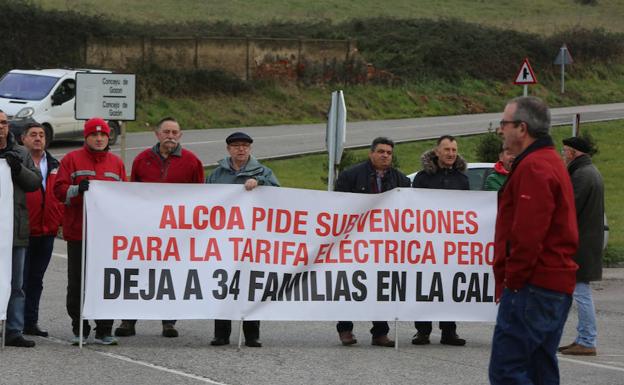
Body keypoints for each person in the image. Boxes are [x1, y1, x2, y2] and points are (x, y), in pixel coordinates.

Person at [489, 96, 578, 384]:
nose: (501, 130)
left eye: (504, 123)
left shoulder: (534, 167)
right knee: (540, 368)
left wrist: (512, 280)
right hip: (551, 284)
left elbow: (527, 235)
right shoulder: (548, 161)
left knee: (507, 370)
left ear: (522, 128)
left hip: (533, 286)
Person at [114, 117, 204, 339]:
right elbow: (131, 193)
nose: (170, 136)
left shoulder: (192, 161)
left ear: (180, 135)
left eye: (175, 132)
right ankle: (128, 319)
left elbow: (202, 196)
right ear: (157, 134)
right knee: (137, 272)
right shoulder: (142, 159)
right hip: (145, 230)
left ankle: (169, 321)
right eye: (166, 132)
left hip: (177, 231)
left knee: (171, 275)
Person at [54, 117, 127, 346]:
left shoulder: (116, 163)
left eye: (103, 135)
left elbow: (126, 196)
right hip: (79, 233)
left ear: (108, 137)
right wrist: (77, 189)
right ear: (86, 137)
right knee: (78, 283)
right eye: (94, 135)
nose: (98, 139)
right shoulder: (71, 159)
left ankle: (105, 329)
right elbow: (58, 190)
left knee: (107, 282)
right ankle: (80, 328)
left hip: (106, 236)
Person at [334, 136, 410, 347]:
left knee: (381, 286)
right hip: (354, 242)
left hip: (385, 245)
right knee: (350, 285)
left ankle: (380, 332)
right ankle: (345, 329)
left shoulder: (401, 180)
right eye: (381, 151)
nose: (385, 155)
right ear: (371, 153)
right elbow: (337, 206)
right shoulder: (350, 176)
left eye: (389, 153)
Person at [206, 131, 279, 348]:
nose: (241, 149)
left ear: (250, 149)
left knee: (251, 286)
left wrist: (260, 181)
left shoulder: (264, 171)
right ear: (228, 149)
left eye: (245, 146)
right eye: (236, 146)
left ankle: (252, 334)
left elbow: (279, 195)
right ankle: (221, 333)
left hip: (252, 239)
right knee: (223, 285)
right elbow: (204, 200)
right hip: (224, 239)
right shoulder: (217, 175)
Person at [411, 134, 468, 346]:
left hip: (451, 245)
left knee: (449, 287)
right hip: (425, 243)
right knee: (425, 286)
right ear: (437, 152)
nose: (451, 154)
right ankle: (423, 330)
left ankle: (449, 331)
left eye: (454, 150)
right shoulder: (422, 177)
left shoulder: (462, 180)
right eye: (447, 150)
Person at [558, 136, 604, 356]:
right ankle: (582, 337)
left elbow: (569, 209)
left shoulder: (582, 175)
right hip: (585, 242)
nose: (563, 154)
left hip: (580, 245)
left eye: (565, 150)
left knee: (581, 292)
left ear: (574, 153)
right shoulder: (589, 171)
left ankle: (587, 339)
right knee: (573, 292)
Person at [0, 111, 42, 348]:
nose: (1, 127)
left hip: (14, 229)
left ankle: (14, 330)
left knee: (16, 284)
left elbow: (35, 183)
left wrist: (18, 169)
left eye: (5, 123)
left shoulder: (21, 153)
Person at [21, 123, 64, 338]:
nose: (38, 138)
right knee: (19, 280)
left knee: (36, 279)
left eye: (41, 135)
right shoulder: (18, 163)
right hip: (23, 231)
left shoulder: (55, 164)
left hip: (47, 231)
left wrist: (59, 220)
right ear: (23, 139)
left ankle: (31, 321)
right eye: (33, 135)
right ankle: (13, 323)